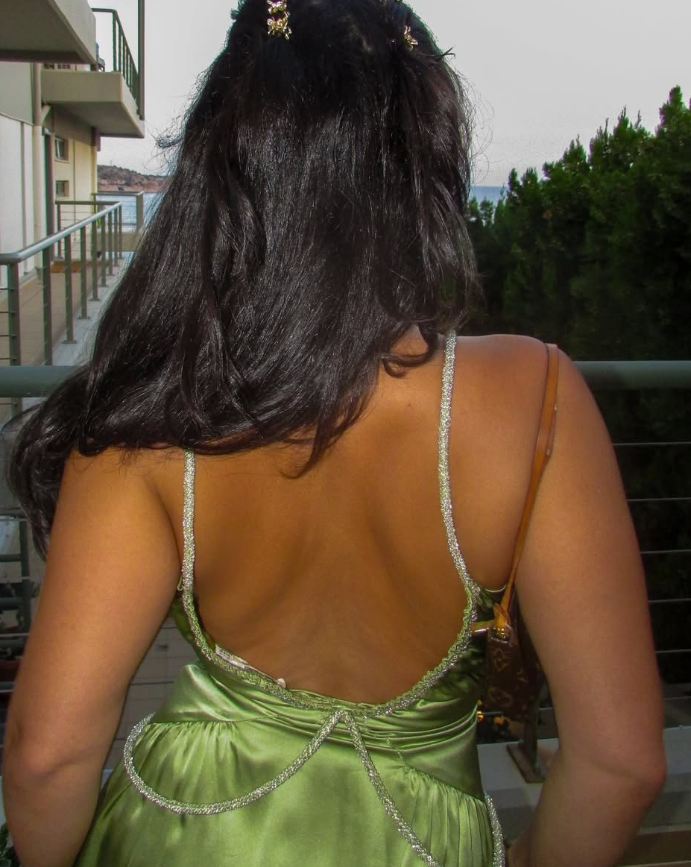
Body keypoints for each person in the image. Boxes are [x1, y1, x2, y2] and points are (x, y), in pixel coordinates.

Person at [1, 1, 665, 865]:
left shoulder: (160, 405)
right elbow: (619, 763)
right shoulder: (535, 397)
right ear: (422, 156)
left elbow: (46, 756)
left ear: (225, 164)